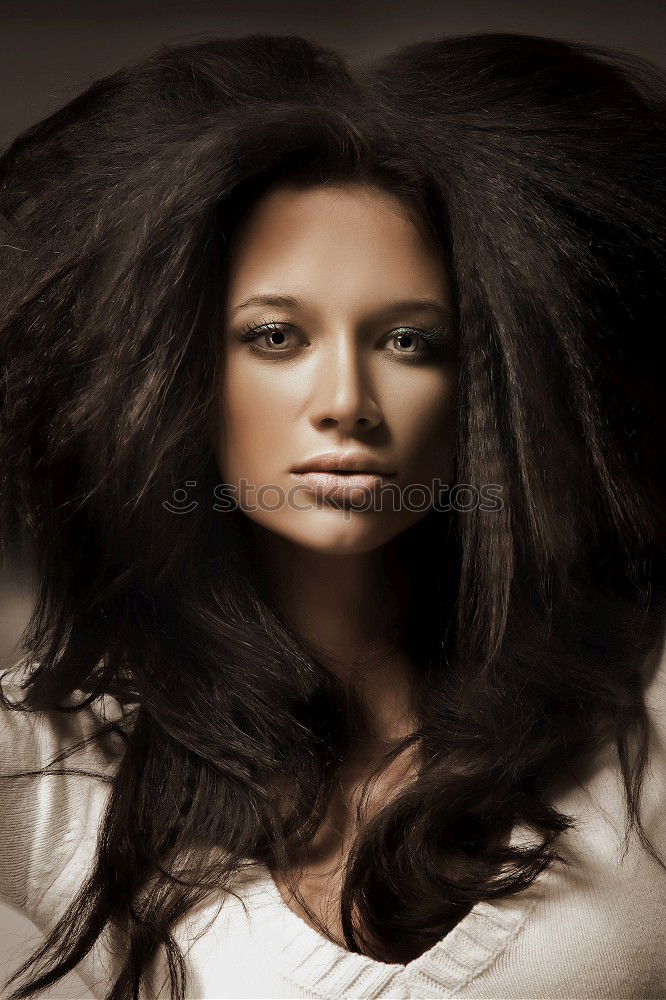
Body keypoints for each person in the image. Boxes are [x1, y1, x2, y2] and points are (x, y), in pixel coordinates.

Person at [0, 30, 665, 1000]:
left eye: (408, 338)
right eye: (277, 335)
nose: (345, 398)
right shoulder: (66, 761)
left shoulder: (641, 695)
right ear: (182, 374)